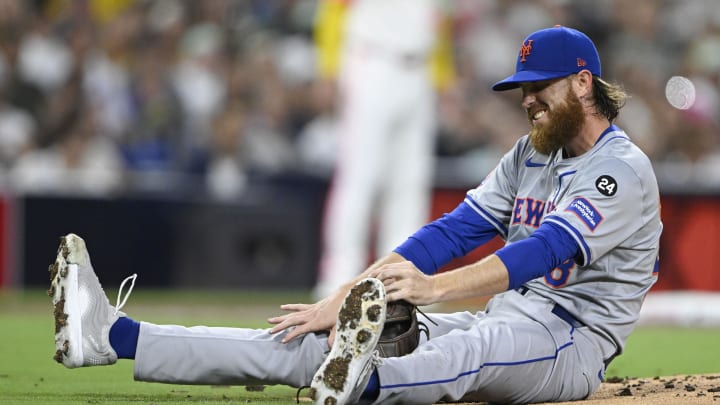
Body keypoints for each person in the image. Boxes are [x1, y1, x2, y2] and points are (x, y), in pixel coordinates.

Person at [50, 26, 662, 405]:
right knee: (310, 340)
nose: (527, 99)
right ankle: (111, 337)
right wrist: (347, 296)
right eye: (522, 87)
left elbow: (543, 250)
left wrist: (434, 290)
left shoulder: (622, 169)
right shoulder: (532, 152)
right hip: (505, 315)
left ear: (583, 85)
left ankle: (360, 389)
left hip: (570, 341)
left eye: (540, 85)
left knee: (471, 355)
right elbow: (452, 232)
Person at [311, 0, 455, 299]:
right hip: (372, 61)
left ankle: (400, 280)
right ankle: (339, 278)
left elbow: (437, 18)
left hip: (419, 71)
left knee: (410, 182)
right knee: (360, 177)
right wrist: (328, 67)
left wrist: (443, 76)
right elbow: (333, 9)